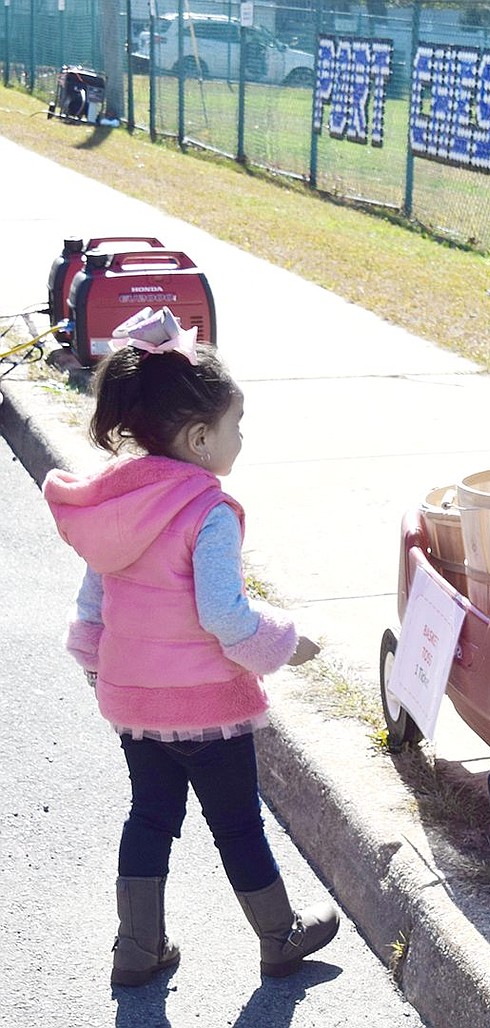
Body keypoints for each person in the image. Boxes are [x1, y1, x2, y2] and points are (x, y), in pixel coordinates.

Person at [43, 307, 339, 987]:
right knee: (236, 823)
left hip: (135, 703)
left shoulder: (116, 504)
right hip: (207, 707)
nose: (242, 439)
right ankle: (279, 935)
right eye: (238, 427)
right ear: (202, 437)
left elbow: (93, 605)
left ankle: (137, 946)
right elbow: (224, 617)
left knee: (149, 815)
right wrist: (290, 643)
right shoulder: (207, 510)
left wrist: (102, 672)